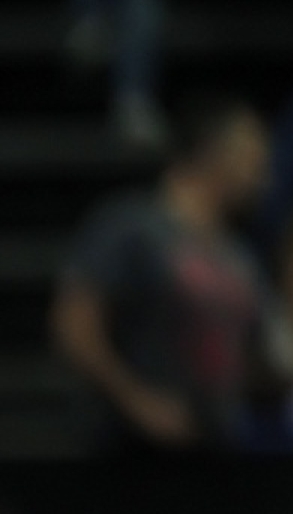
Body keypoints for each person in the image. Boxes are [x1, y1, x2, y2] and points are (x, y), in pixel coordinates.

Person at [51, 100, 272, 454]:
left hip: (215, 443)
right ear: (212, 153)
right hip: (131, 447)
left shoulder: (240, 256)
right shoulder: (131, 226)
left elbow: (252, 357)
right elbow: (74, 326)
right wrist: (136, 399)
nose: (262, 177)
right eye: (252, 160)